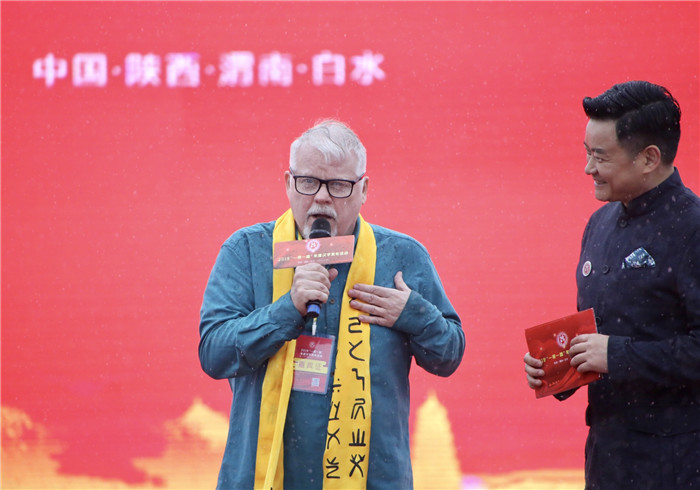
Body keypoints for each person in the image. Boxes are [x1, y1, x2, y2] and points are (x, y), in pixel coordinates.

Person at [199, 119, 465, 489]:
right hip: (265, 478)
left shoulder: (401, 256)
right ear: (288, 183)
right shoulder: (247, 251)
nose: (322, 198)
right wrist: (287, 309)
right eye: (308, 182)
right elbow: (214, 354)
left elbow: (448, 355)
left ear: (364, 189)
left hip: (374, 479)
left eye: (339, 185)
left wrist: (414, 315)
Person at [524, 81, 700, 489]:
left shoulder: (692, 229)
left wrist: (617, 355)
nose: (589, 168)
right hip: (607, 458)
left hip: (678, 463)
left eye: (600, 156)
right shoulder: (599, 224)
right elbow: (598, 335)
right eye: (587, 152)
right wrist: (557, 367)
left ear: (649, 158)